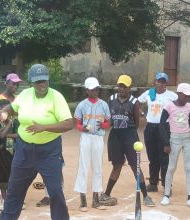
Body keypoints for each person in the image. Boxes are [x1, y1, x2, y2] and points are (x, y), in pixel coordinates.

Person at [0, 64, 73, 220]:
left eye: (44, 81)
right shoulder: (25, 94)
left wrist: (44, 127)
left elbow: (68, 123)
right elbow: (13, 109)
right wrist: (4, 112)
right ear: (31, 82)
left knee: (55, 192)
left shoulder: (56, 97)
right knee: (14, 190)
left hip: (49, 151)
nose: (42, 85)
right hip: (24, 150)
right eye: (38, 82)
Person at [99, 75, 155, 207]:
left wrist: (127, 131)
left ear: (130, 88)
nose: (122, 88)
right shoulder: (111, 99)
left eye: (125, 86)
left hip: (130, 136)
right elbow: (109, 119)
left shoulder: (134, 102)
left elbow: (136, 123)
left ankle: (146, 196)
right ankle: (107, 193)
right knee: (116, 166)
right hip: (115, 136)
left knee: (135, 166)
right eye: (120, 86)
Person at [74, 77, 110, 212]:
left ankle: (96, 200)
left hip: (98, 138)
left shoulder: (103, 105)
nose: (95, 91)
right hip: (86, 137)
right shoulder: (82, 105)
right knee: (83, 166)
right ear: (87, 90)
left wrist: (104, 125)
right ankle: (83, 201)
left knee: (97, 168)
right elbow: (76, 123)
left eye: (97, 89)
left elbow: (108, 122)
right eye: (92, 89)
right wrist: (82, 128)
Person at [158, 83, 190, 208]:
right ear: (179, 94)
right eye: (185, 95)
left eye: (189, 96)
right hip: (174, 139)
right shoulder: (169, 106)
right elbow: (162, 124)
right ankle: (166, 194)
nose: (188, 98)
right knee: (171, 167)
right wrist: (166, 142)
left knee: (188, 167)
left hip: (187, 139)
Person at [138, 72, 178, 192]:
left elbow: (179, 107)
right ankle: (153, 183)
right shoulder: (149, 93)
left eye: (163, 82)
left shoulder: (172, 96)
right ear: (154, 82)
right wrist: (142, 114)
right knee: (153, 157)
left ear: (166, 83)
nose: (161, 84)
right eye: (158, 81)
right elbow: (137, 103)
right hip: (150, 127)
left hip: (165, 128)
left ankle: (167, 186)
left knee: (164, 157)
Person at [0, 99, 17, 211]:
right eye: (2, 111)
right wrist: (9, 125)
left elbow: (19, 135)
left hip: (13, 152)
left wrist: (8, 134)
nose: (5, 114)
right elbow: (1, 136)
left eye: (7, 111)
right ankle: (3, 200)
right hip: (0, 153)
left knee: (13, 176)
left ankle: (12, 200)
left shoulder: (15, 121)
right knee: (1, 177)